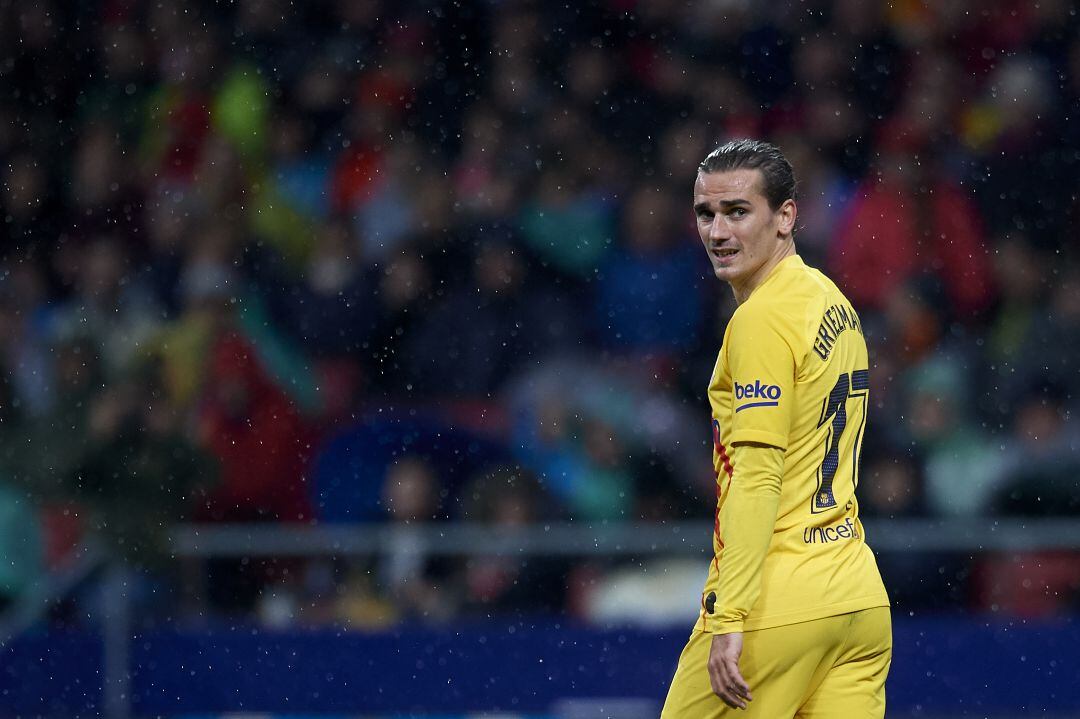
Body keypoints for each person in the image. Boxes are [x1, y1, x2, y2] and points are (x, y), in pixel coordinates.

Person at [662, 140, 891, 718]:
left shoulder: (760, 320)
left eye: (738, 211)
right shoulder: (833, 303)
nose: (717, 231)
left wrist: (729, 614)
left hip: (777, 604)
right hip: (855, 597)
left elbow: (759, 477)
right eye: (705, 214)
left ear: (786, 216)